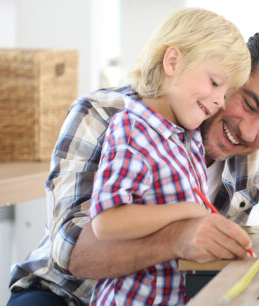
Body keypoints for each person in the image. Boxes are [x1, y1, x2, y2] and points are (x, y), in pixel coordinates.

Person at [8, 31, 259, 305]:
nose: (249, 133)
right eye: (248, 105)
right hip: (66, 294)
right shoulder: (105, 115)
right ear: (228, 76)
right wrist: (177, 239)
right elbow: (73, 254)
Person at [87, 8, 250, 305]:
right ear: (172, 61)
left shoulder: (187, 137)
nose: (219, 101)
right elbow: (106, 220)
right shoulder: (133, 128)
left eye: (225, 93)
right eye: (215, 83)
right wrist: (187, 211)